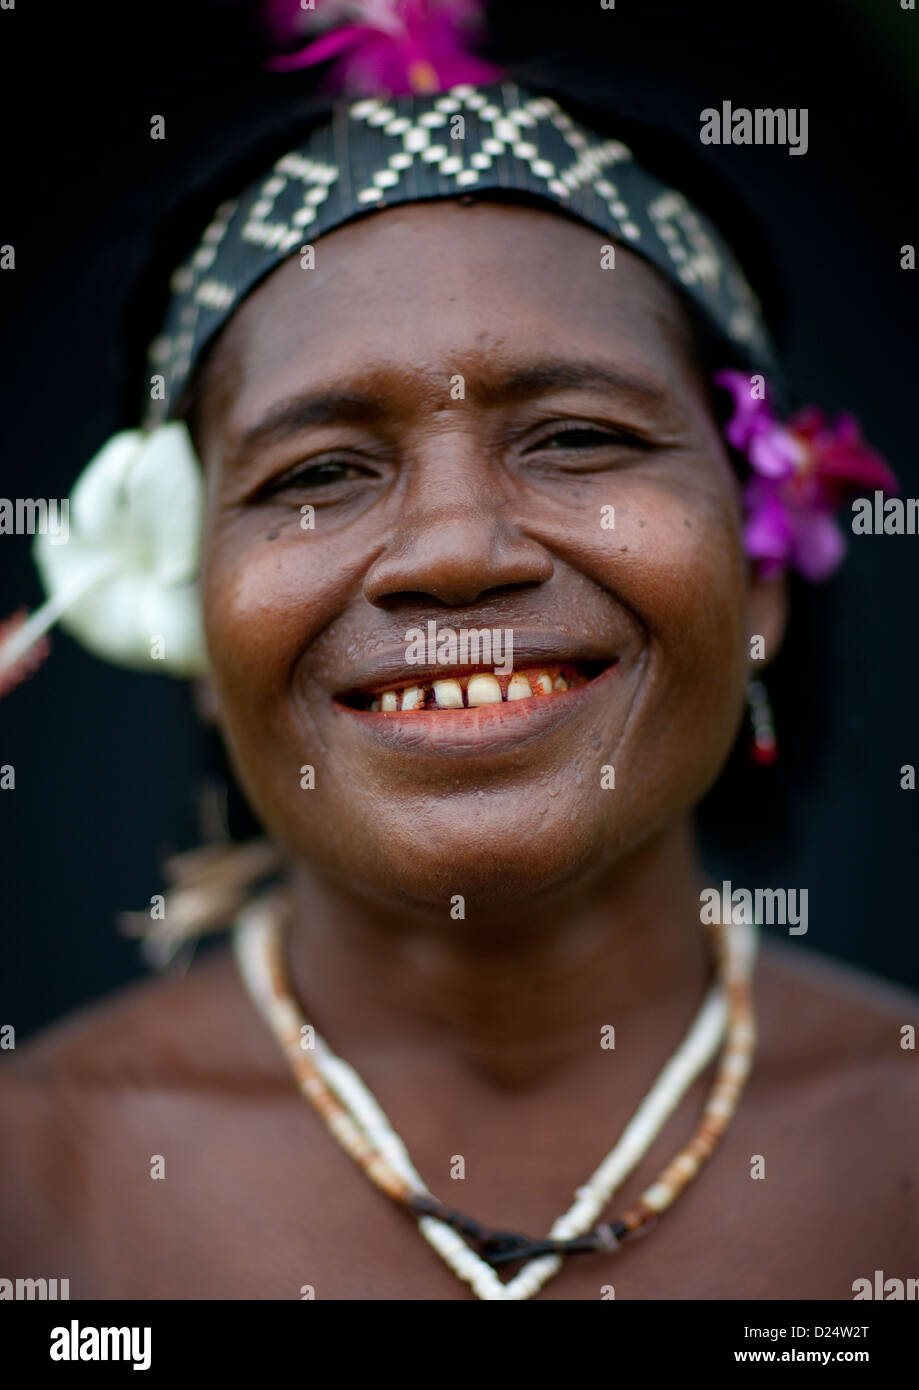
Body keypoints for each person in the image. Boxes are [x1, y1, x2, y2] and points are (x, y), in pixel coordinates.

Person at [1, 11, 915, 1301]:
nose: (453, 548)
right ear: (189, 621)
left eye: (580, 437)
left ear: (760, 568)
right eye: (318, 473)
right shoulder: (34, 1187)